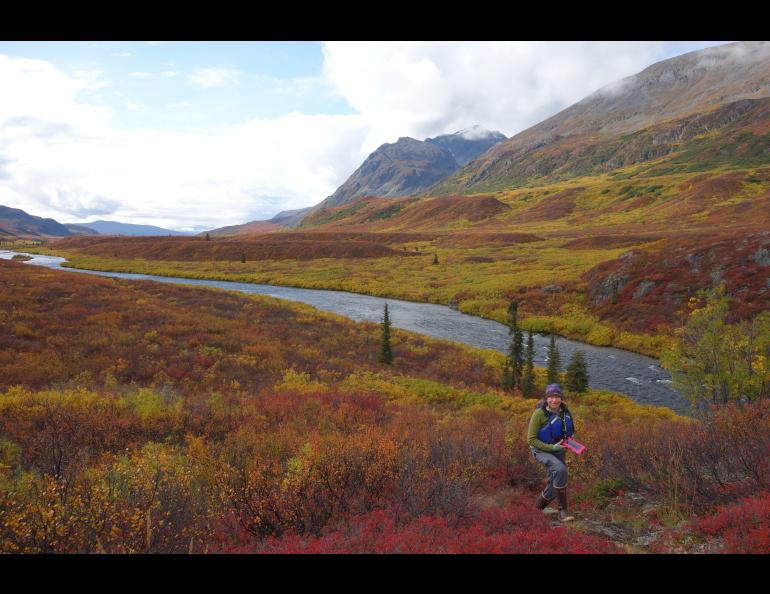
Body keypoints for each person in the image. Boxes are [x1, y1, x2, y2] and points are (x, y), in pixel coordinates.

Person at [527, 383, 576, 522]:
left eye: (557, 397)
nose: (554, 400)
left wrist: (572, 444)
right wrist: (552, 448)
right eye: (551, 397)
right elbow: (531, 440)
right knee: (561, 470)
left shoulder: (564, 412)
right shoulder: (539, 414)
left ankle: (535, 510)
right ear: (546, 398)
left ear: (561, 398)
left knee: (556, 482)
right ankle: (563, 513)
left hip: (559, 449)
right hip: (541, 449)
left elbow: (568, 432)